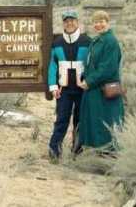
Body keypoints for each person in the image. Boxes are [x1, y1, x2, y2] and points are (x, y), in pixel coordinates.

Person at [47, 10, 91, 160]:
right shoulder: (57, 42)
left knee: (80, 121)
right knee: (61, 120)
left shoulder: (87, 41)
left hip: (82, 90)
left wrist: (89, 81)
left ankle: (77, 152)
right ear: (63, 23)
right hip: (63, 90)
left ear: (77, 22)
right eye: (66, 21)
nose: (69, 23)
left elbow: (92, 64)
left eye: (72, 20)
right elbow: (52, 65)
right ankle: (54, 150)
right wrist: (53, 86)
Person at [78, 10, 124, 150]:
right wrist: (84, 76)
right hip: (96, 89)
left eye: (101, 21)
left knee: (108, 121)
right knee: (98, 121)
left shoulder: (110, 41)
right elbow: (91, 63)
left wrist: (89, 81)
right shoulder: (97, 40)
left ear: (107, 22)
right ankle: (99, 152)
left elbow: (107, 68)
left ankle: (109, 153)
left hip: (106, 89)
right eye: (96, 22)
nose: (98, 25)